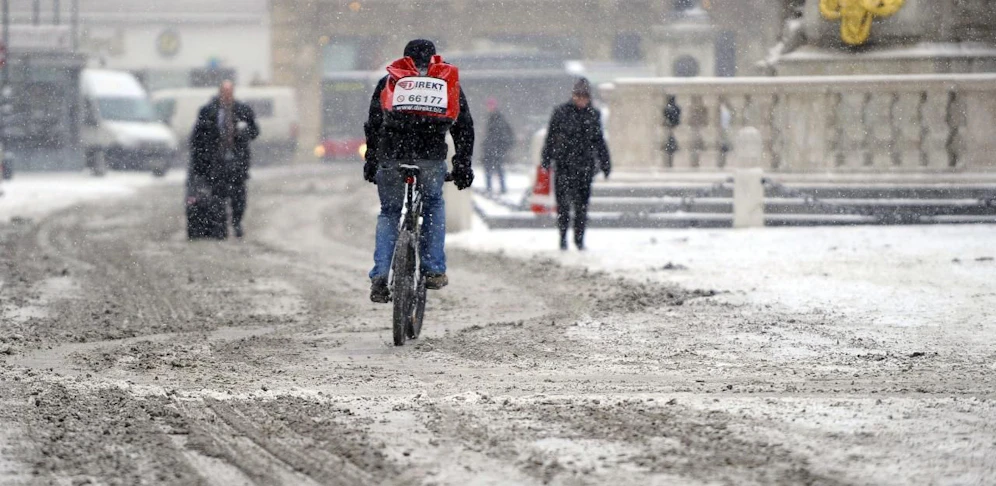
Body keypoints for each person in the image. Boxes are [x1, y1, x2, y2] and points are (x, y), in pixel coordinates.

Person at [362, 39, 475, 303]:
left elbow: (374, 124)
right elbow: (463, 126)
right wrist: (462, 163)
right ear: (433, 58)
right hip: (430, 157)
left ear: (406, 59)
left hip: (392, 155)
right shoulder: (445, 82)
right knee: (433, 203)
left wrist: (371, 159)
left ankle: (380, 275)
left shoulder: (390, 80)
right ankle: (434, 269)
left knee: (390, 212)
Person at [541, 78, 611, 251]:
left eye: (584, 97)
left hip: (584, 167)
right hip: (564, 165)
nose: (581, 100)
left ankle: (579, 239)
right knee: (563, 205)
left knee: (581, 206)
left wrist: (605, 162)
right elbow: (550, 138)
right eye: (578, 96)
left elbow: (599, 140)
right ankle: (563, 237)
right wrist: (546, 159)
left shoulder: (593, 115)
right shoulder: (561, 113)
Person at [189, 80, 260, 238]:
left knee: (239, 196)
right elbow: (198, 136)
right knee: (217, 196)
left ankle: (236, 222)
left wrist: (243, 133)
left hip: (238, 162)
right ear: (220, 93)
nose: (227, 96)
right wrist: (202, 159)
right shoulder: (208, 111)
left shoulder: (243, 110)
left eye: (230, 93)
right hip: (215, 162)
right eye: (224, 93)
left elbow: (255, 131)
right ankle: (219, 226)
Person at [481, 97, 515, 194]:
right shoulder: (496, 118)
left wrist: (490, 146)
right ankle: (498, 188)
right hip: (496, 148)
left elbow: (495, 135)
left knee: (491, 169)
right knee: (497, 168)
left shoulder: (496, 119)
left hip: (494, 148)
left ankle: (490, 188)